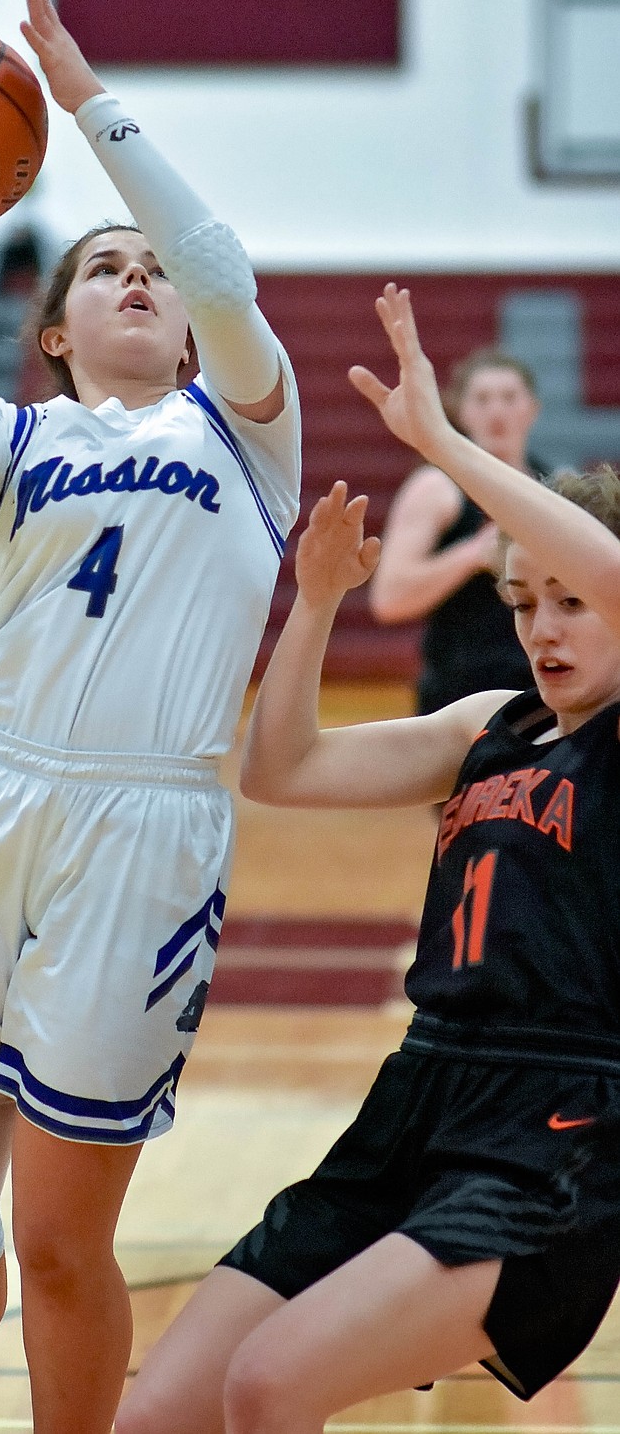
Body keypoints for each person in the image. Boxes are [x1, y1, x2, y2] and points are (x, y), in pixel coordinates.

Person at [0, 0, 301, 1434]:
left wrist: (83, 94)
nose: (139, 280)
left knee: (55, 1231)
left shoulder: (241, 426)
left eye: (149, 275)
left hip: (140, 827)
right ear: (53, 327)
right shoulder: (16, 434)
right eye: (104, 268)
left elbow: (218, 264)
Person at [118, 284, 620, 1434]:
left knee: (270, 1384)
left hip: (557, 1134)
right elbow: (280, 768)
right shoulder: (490, 725)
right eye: (524, 602)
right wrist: (317, 605)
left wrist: (446, 445)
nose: (543, 629)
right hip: (417, 1097)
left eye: (571, 604)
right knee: (165, 1414)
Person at [369, 347, 541, 711]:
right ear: (462, 411)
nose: (496, 411)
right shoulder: (436, 487)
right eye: (482, 399)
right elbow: (388, 598)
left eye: (509, 398)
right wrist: (471, 555)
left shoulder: (554, 488)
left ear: (532, 409)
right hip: (456, 700)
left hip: (538, 696)